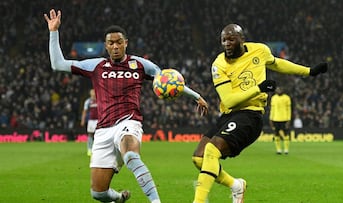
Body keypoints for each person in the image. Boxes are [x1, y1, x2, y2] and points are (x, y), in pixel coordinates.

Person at [44, 9, 208, 203]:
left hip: (129, 122)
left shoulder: (140, 65)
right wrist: (53, 32)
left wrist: (195, 96)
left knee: (131, 155)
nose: (115, 46)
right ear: (106, 46)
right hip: (103, 130)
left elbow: (169, 81)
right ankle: (120, 198)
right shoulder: (96, 66)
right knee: (98, 193)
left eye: (119, 42)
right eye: (111, 43)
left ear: (126, 43)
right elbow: (58, 64)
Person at [191, 23, 327, 203]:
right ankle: (236, 186)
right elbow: (230, 100)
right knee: (198, 158)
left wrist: (309, 71)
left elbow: (278, 63)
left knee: (211, 150)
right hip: (229, 114)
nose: (227, 43)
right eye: (224, 40)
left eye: (231, 39)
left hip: (250, 115)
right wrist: (259, 88)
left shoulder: (260, 50)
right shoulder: (219, 64)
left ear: (242, 39)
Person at [269, 87, 292, 155]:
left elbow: (289, 109)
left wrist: (289, 120)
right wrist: (271, 118)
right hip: (275, 119)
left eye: (280, 89)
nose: (278, 91)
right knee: (276, 134)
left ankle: (286, 149)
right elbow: (272, 109)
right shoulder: (273, 98)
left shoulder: (287, 98)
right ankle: (278, 149)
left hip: (284, 119)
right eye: (277, 89)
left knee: (286, 135)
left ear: (283, 90)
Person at [81, 88, 98, 156]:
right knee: (90, 134)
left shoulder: (99, 100)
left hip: (99, 120)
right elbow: (84, 111)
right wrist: (83, 120)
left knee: (98, 135)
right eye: (92, 93)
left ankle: (96, 148)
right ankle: (89, 149)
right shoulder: (88, 101)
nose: (93, 94)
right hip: (91, 121)